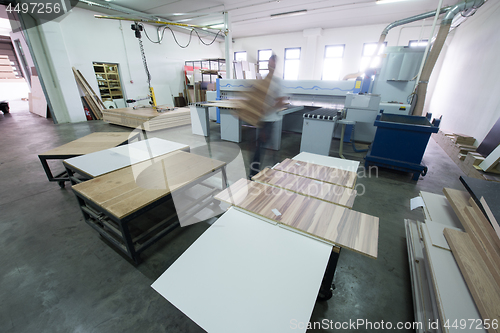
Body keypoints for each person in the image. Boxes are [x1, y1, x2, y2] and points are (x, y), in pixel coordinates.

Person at [249, 54, 287, 178]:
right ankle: (263, 172)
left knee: (260, 147)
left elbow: (281, 101)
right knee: (262, 146)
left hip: (269, 121)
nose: (271, 66)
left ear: (275, 65)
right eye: (269, 64)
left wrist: (267, 109)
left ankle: (254, 173)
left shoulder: (276, 82)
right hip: (261, 120)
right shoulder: (263, 81)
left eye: (272, 64)